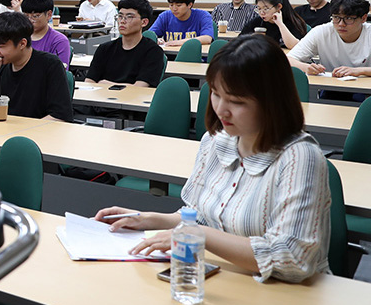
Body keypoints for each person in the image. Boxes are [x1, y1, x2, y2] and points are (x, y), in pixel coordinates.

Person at [95, 34, 330, 283]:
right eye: (216, 94)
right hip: (227, 279)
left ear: (272, 101)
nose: (221, 109)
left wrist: (201, 235)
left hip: (288, 297)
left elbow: (292, 258)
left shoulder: (299, 157)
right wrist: (148, 220)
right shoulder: (216, 141)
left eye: (237, 101)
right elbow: (200, 217)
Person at [0, 12, 73, 121]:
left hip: (36, 134)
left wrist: (22, 132)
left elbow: (60, 115)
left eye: (1, 46)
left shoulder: (50, 65)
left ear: (22, 44)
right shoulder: (0, 66)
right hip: (1, 132)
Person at [85, 0, 165, 87]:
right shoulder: (105, 49)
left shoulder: (153, 51)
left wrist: (106, 84)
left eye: (129, 17)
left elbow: (140, 88)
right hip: (102, 99)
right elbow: (89, 81)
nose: (122, 21)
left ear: (144, 22)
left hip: (134, 100)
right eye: (120, 16)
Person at [288, 0, 371, 76]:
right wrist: (306, 67)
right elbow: (287, 60)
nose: (341, 24)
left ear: (363, 18)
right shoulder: (321, 31)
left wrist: (361, 71)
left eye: (348, 18)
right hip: (331, 85)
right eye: (336, 17)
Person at [240, 0, 308, 49]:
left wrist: (280, 24)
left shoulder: (293, 22)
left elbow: (294, 46)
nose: (262, 13)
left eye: (266, 9)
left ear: (279, 6)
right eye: (259, 9)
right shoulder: (257, 22)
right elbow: (239, 41)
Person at [149, 0, 214, 46]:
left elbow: (207, 38)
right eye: (171, 5)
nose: (174, 9)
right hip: (171, 55)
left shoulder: (203, 16)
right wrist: (156, 39)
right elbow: (148, 35)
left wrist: (180, 42)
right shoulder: (165, 16)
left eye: (178, 5)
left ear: (189, 5)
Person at [22, 0, 70, 68]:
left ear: (49, 15)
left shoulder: (59, 41)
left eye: (35, 16)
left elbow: (60, 74)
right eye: (26, 16)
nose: (30, 20)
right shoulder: (18, 37)